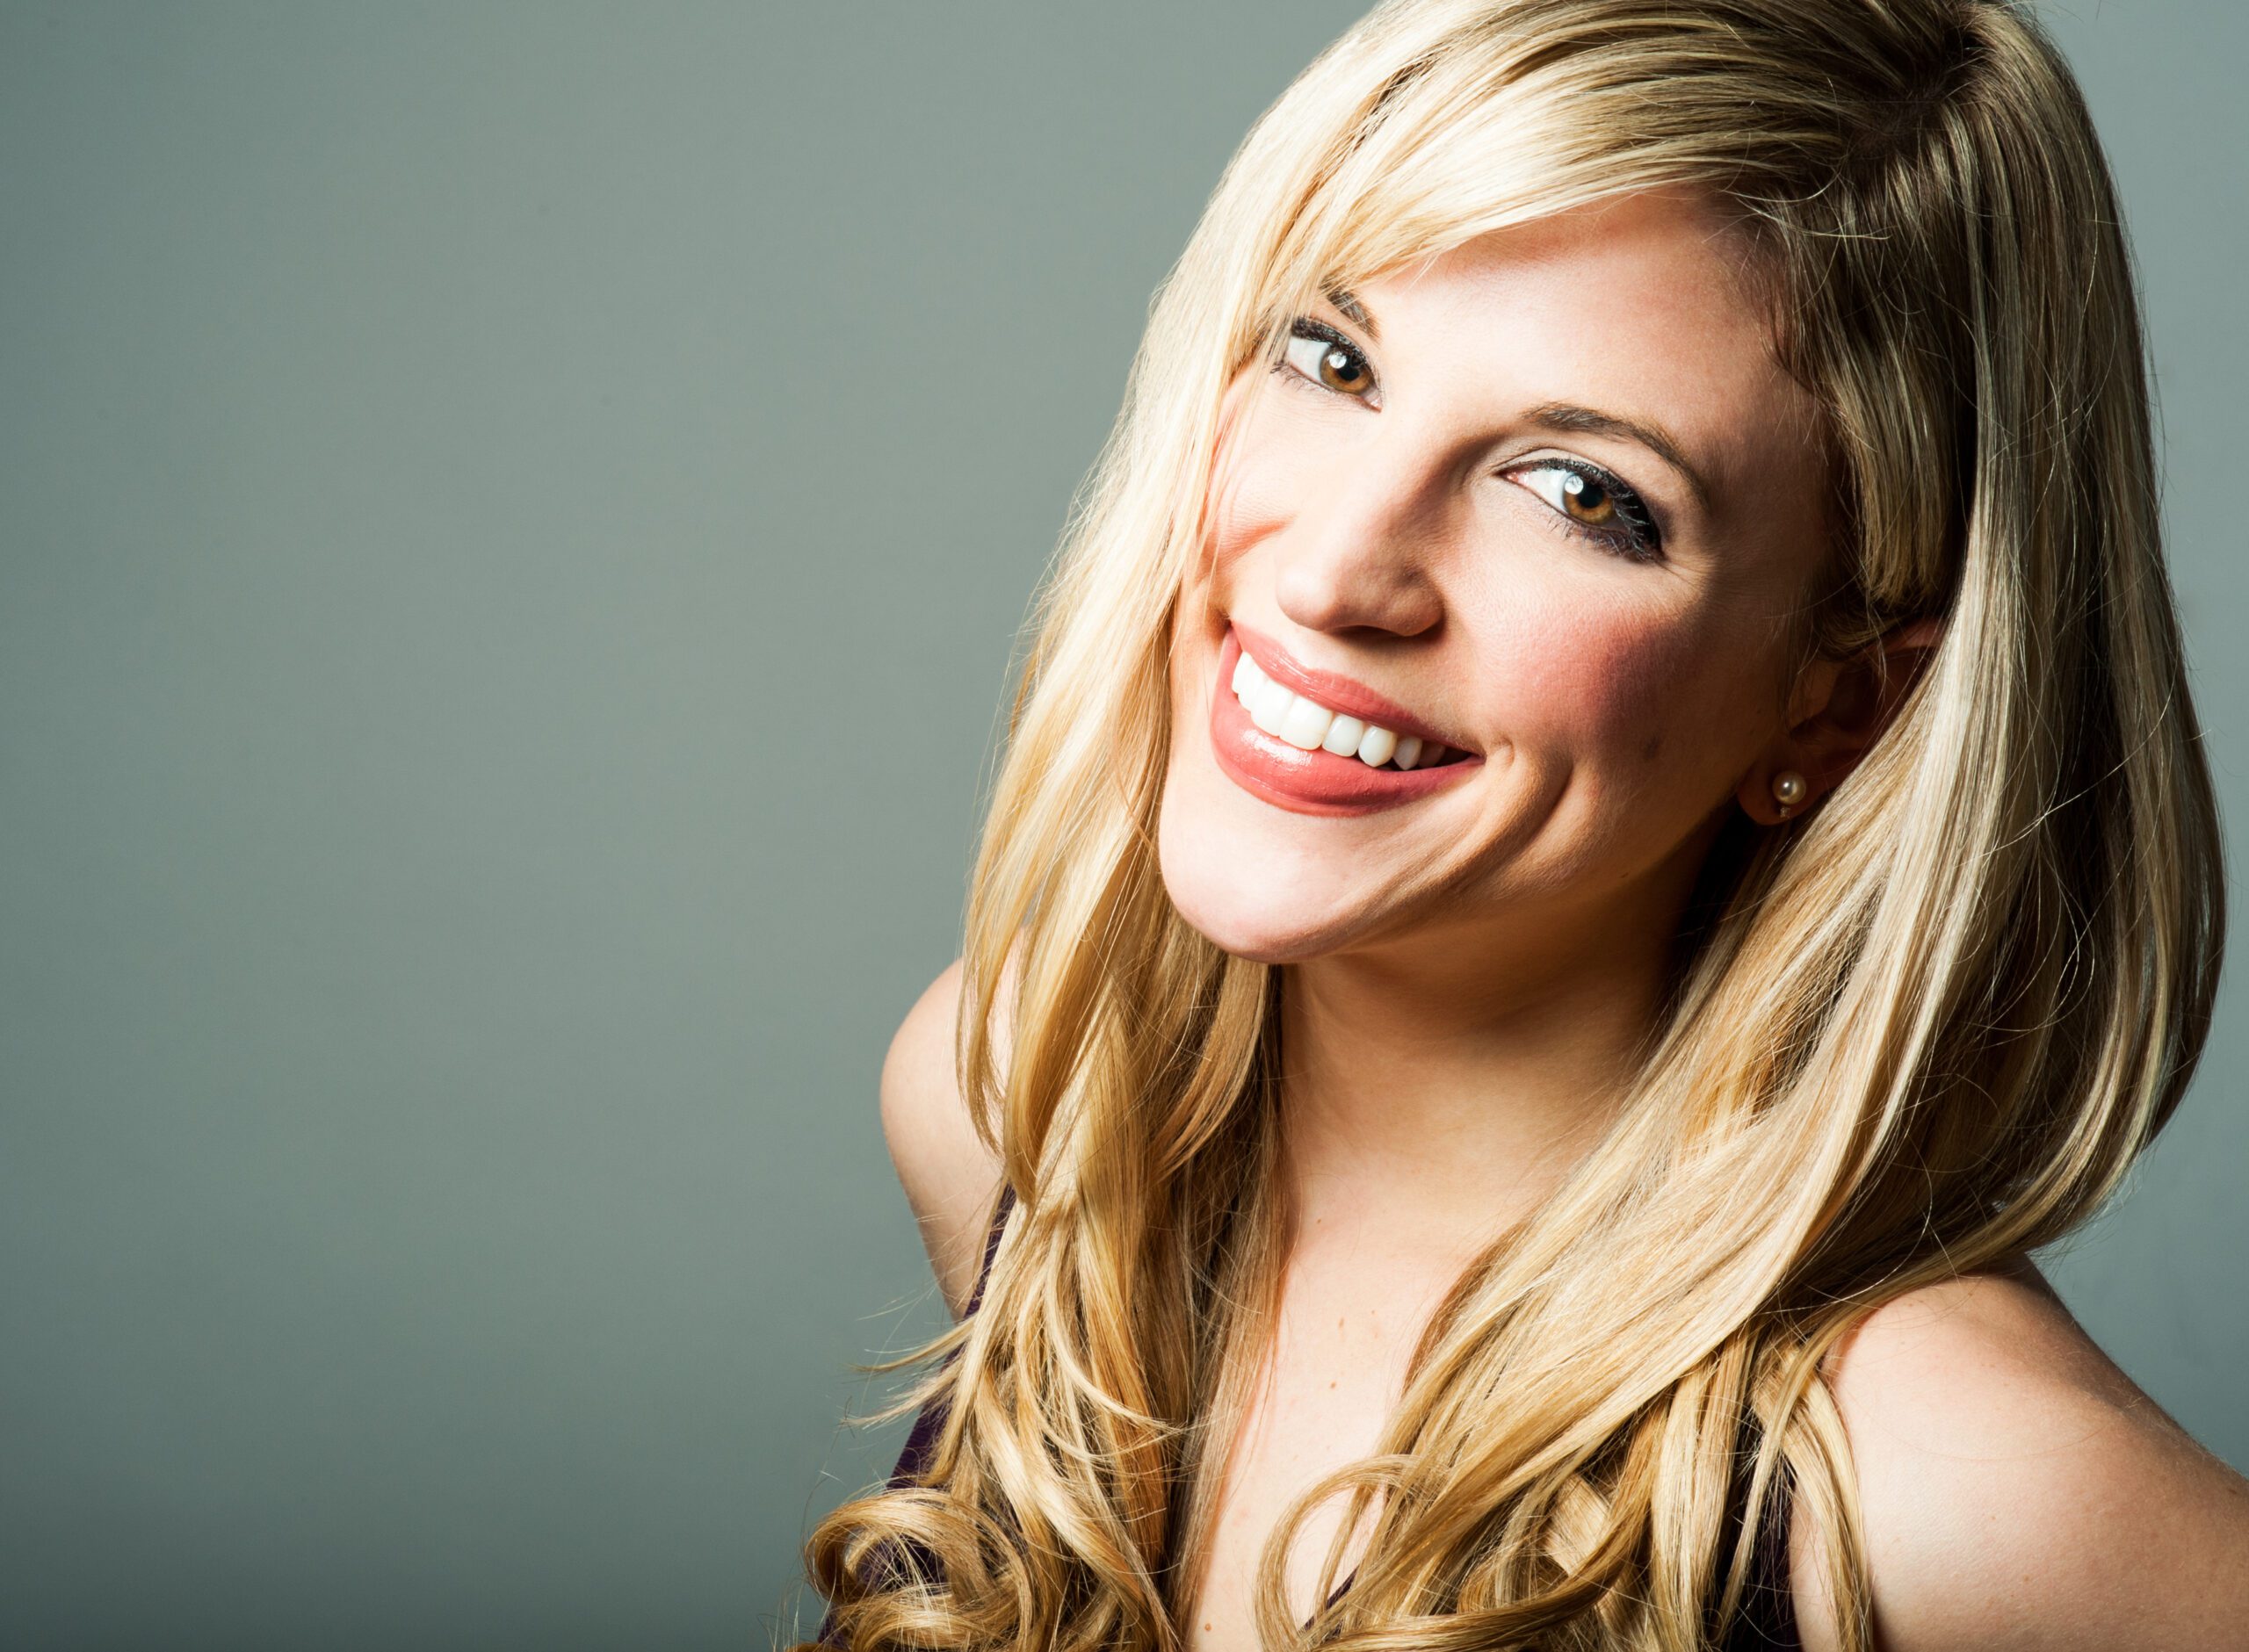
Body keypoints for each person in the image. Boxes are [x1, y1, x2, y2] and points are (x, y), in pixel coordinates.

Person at [802, 1, 2249, 1647]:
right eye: (1333, 358)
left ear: (1837, 702)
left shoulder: (1968, 1486)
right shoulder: (1011, 1103)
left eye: (1581, 492)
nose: (1333, 572)